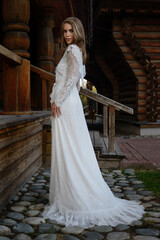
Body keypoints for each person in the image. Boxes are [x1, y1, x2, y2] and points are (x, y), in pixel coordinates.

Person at [42, 17, 144, 228]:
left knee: (70, 150)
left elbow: (71, 80)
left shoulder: (72, 51)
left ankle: (74, 197)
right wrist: (62, 100)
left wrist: (57, 102)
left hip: (65, 105)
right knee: (73, 149)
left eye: (70, 31)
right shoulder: (77, 52)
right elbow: (75, 84)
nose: (67, 34)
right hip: (69, 104)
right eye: (64, 31)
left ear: (77, 32)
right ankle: (71, 193)